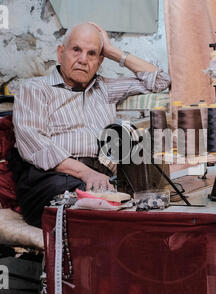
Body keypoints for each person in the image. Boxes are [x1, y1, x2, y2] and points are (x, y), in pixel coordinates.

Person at [12, 22, 171, 227]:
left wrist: (114, 52)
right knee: (97, 213)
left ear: (100, 60)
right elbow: (35, 144)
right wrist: (86, 173)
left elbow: (161, 81)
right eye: (76, 50)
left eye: (92, 54)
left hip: (100, 180)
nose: (83, 60)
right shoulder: (35, 89)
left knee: (148, 203)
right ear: (61, 53)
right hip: (50, 179)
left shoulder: (105, 88)